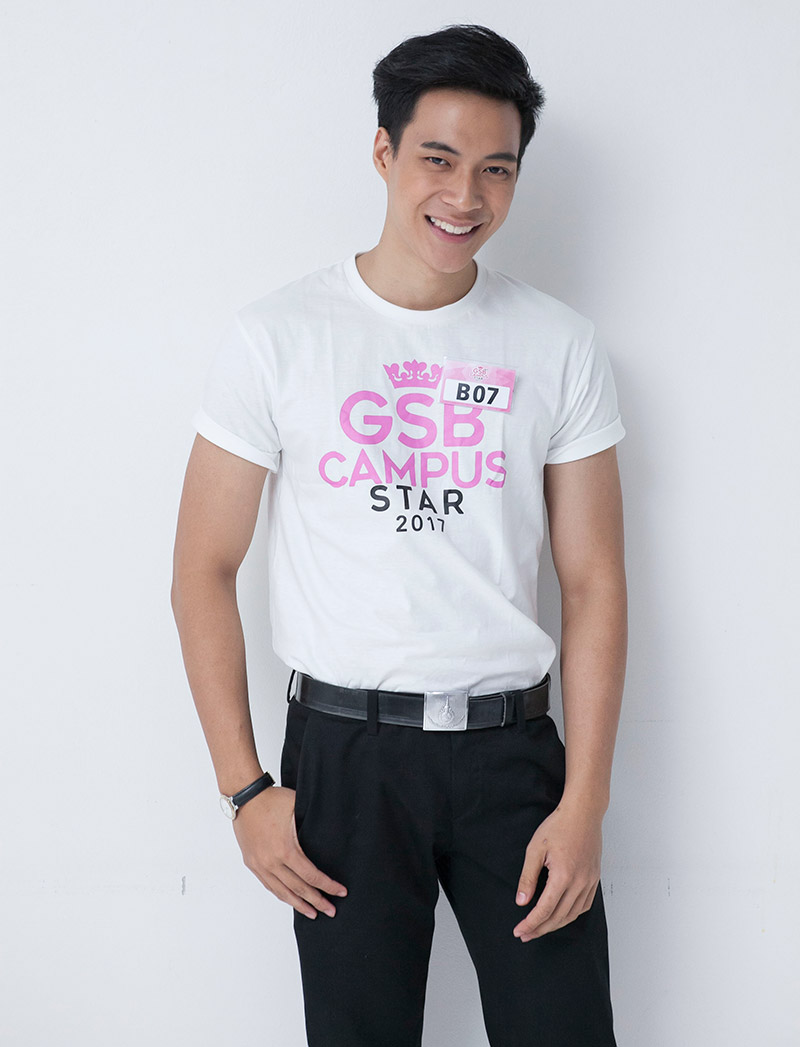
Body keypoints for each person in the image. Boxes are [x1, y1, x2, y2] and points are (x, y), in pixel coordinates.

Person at [171, 22, 627, 1047]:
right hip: (344, 760)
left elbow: (594, 580)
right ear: (383, 152)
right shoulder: (278, 337)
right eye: (438, 158)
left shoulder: (558, 345)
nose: (465, 196)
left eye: (496, 168)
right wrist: (245, 789)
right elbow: (202, 566)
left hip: (513, 756)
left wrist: (585, 801)